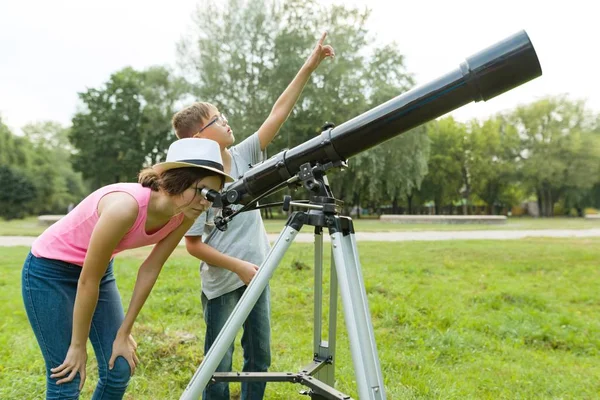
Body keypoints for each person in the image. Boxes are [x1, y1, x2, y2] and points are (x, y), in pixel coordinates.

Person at [171, 32, 334, 399]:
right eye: (217, 119)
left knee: (259, 356)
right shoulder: (196, 183)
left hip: (257, 273)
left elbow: (278, 110)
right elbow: (193, 246)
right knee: (220, 361)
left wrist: (309, 65)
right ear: (200, 136)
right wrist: (238, 267)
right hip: (223, 284)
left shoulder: (245, 156)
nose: (226, 121)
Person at [21, 138, 233, 400]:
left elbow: (151, 268)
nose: (205, 203)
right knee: (67, 377)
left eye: (213, 195)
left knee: (119, 368)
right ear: (178, 179)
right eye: (202, 192)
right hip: (48, 271)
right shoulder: (125, 207)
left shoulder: (186, 212)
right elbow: (88, 281)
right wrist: (78, 345)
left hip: (98, 273)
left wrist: (124, 332)